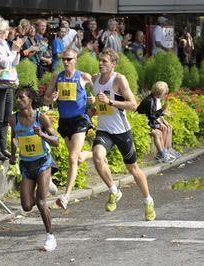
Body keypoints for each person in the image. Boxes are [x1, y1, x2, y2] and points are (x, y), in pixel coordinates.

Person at [91, 48, 156, 221]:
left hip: (121, 131)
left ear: (113, 64)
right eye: (100, 60)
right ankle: (114, 190)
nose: (100, 63)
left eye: (104, 61)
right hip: (104, 130)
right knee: (97, 156)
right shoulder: (95, 79)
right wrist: (92, 108)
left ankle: (148, 201)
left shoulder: (119, 80)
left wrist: (111, 101)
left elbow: (134, 104)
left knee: (133, 169)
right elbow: (98, 106)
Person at [9, 85, 59, 251]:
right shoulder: (13, 119)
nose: (18, 100)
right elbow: (14, 137)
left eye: (22, 97)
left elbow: (56, 140)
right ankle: (47, 183)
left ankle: (50, 236)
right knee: (27, 206)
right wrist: (13, 153)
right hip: (26, 165)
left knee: (41, 201)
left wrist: (42, 135)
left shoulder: (41, 117)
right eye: (17, 97)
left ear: (30, 99)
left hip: (43, 162)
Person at [44, 48, 93, 209]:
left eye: (69, 59)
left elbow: (98, 91)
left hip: (80, 120)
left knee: (72, 158)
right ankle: (94, 154)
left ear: (75, 60)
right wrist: (51, 98)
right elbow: (45, 99)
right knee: (77, 158)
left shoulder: (83, 76)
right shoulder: (57, 78)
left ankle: (66, 196)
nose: (66, 62)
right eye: (64, 59)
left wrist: (93, 99)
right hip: (65, 122)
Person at [0, 16, 23, 161]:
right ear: (1, 30)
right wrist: (14, 51)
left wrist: (17, 50)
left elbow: (13, 62)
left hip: (7, 83)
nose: (9, 32)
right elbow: (4, 63)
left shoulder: (4, 44)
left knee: (7, 117)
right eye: (7, 29)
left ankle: (2, 147)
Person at [137, 81, 180, 163]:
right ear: (159, 93)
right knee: (158, 133)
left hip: (148, 122)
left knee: (164, 129)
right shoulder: (149, 101)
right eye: (163, 93)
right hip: (143, 123)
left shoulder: (153, 99)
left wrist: (162, 113)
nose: (164, 95)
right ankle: (162, 154)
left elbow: (153, 115)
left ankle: (166, 151)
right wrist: (162, 111)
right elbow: (152, 116)